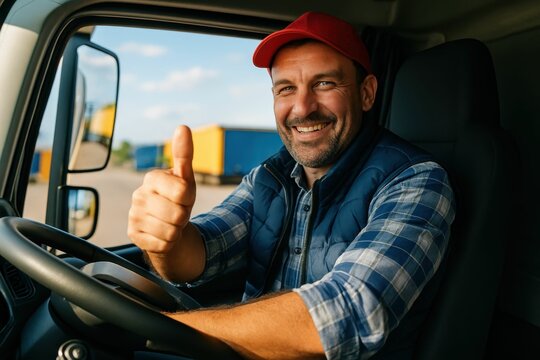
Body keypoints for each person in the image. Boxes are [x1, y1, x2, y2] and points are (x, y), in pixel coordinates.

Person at [128, 11, 455, 360]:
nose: (302, 108)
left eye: (325, 83)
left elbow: (351, 312)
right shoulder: (269, 176)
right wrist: (166, 239)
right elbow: (203, 252)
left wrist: (160, 331)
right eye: (286, 88)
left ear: (366, 93)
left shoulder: (415, 180)